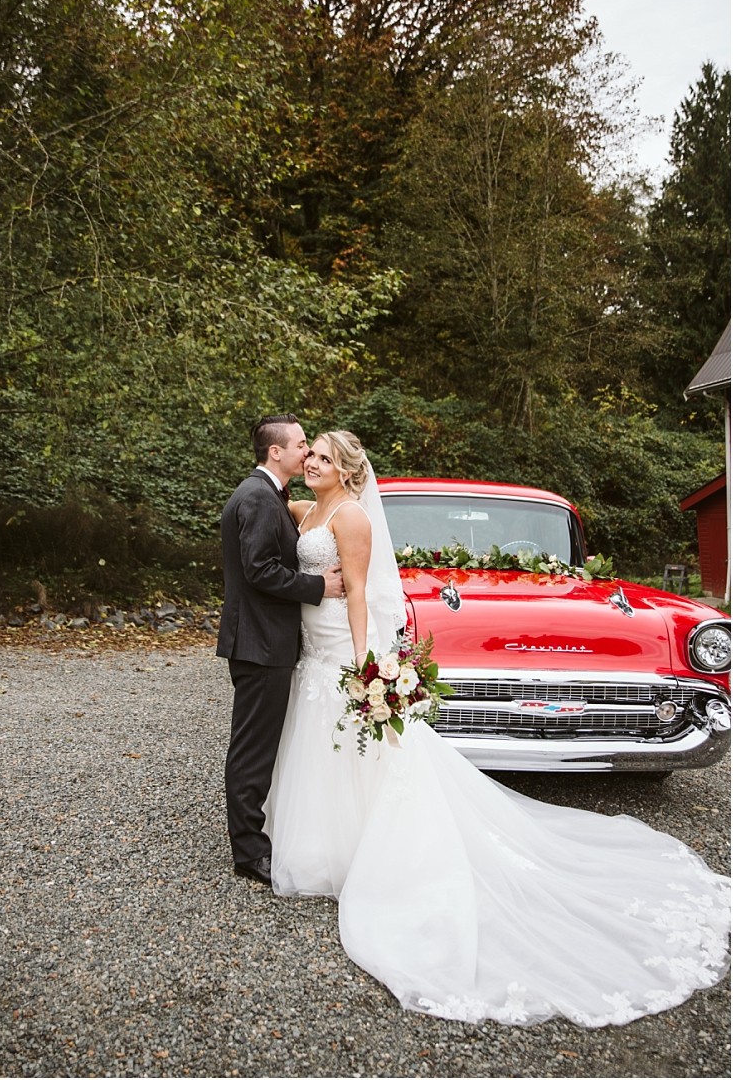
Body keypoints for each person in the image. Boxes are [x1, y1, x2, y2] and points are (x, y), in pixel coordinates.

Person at [264, 430, 730, 1027]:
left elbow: (358, 591)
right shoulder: (311, 506)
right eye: (311, 455)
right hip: (315, 647)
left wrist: (365, 662)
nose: (313, 463)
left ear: (349, 471)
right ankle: (330, 843)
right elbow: (276, 510)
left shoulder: (351, 516)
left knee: (367, 753)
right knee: (330, 747)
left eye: (325, 457)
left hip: (338, 647)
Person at [217, 414, 345, 886]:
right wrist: (318, 586)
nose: (307, 452)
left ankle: (253, 833)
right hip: (260, 641)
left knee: (259, 741)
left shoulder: (270, 496)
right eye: (301, 445)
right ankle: (249, 851)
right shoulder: (257, 497)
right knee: (253, 746)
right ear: (277, 452)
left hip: (262, 639)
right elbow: (259, 571)